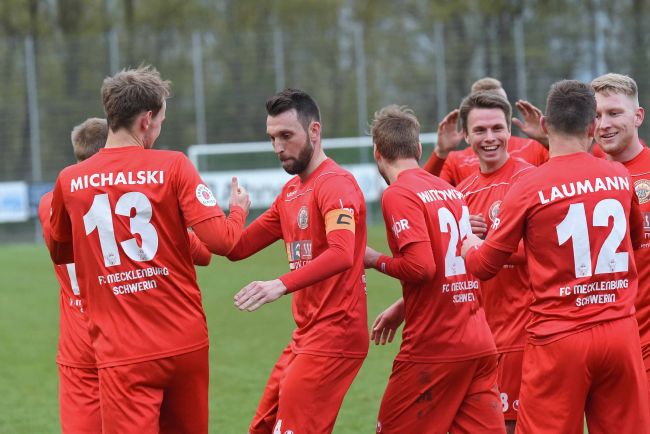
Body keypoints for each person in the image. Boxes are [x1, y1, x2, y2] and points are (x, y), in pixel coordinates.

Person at [47, 66, 250, 434]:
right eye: (160, 121)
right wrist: (238, 210)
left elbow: (62, 252)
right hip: (184, 342)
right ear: (146, 119)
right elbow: (223, 242)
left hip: (121, 351)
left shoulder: (69, 181)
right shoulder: (173, 166)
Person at [462, 80, 650, 433]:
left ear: (545, 127)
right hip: (621, 334)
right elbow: (637, 239)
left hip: (560, 338)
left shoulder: (530, 185)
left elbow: (483, 266)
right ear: (592, 126)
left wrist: (467, 243)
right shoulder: (618, 175)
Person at [39, 117, 214, 433]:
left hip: (81, 345)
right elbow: (203, 253)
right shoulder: (138, 198)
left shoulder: (51, 201)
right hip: (128, 335)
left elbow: (60, 244)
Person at [226, 88, 368, 434]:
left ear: (314, 131)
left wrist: (279, 285)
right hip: (305, 335)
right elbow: (237, 247)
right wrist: (236, 212)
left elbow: (341, 252)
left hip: (336, 334)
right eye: (272, 137)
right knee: (261, 428)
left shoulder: (335, 185)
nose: (277, 146)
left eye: (286, 136)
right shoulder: (291, 193)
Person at [365, 105, 503, 434]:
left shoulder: (397, 193)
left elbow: (422, 267)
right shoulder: (452, 192)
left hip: (435, 345)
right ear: (418, 149)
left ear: (377, 152)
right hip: (479, 341)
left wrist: (374, 259)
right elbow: (452, 264)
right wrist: (403, 306)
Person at [455, 92, 535, 433]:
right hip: (480, 339)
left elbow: (546, 254)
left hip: (525, 334)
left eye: (497, 128)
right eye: (480, 130)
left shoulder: (531, 179)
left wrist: (489, 245)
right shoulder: (460, 194)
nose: (490, 138)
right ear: (466, 136)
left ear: (509, 132)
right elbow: (454, 269)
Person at [591, 73, 650, 395]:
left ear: (638, 116)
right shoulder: (583, 179)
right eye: (597, 116)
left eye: (614, 113)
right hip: (602, 344)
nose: (604, 124)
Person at [423, 77, 549, 186]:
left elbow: (565, 172)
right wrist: (440, 152)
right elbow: (425, 193)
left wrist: (548, 140)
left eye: (498, 103)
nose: (489, 137)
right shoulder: (456, 161)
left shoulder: (534, 148)